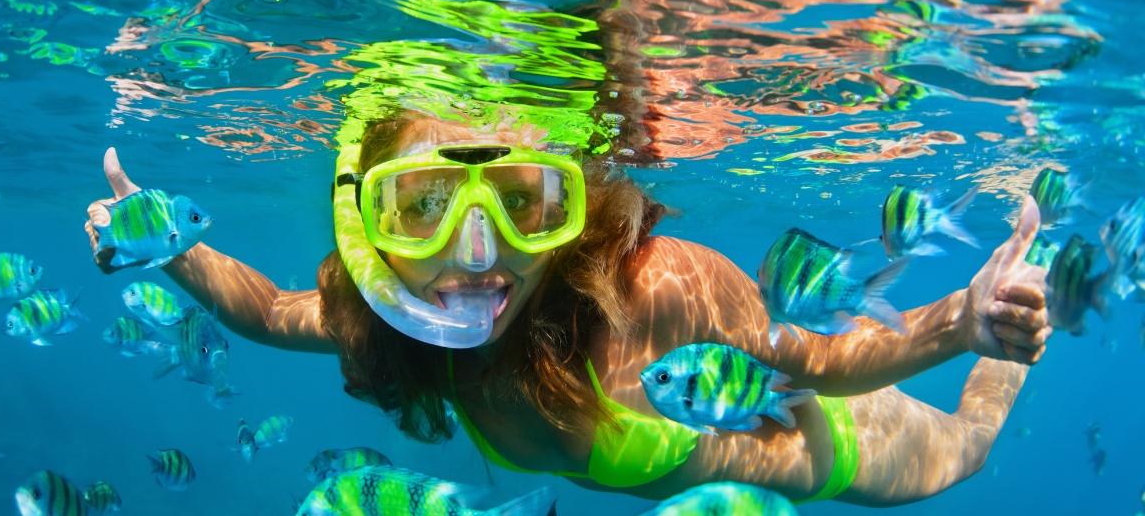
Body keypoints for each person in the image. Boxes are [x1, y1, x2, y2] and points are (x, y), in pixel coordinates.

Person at [84, 114, 1050, 506]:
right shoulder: (381, 314)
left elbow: (819, 361)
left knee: (969, 446)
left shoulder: (650, 288)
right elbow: (263, 313)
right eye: (422, 205)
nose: (475, 252)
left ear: (570, 210)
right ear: (366, 222)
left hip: (816, 443)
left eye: (521, 200)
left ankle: (1019, 291)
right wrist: (167, 243)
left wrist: (961, 324)